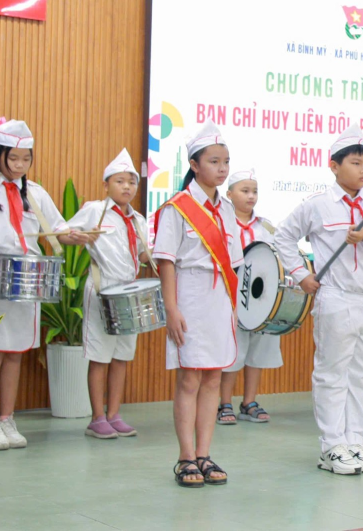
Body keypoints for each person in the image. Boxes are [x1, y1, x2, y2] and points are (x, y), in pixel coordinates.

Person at [0, 121, 91, 451]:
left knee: (15, 352)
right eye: (13, 158)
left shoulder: (35, 193)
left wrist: (75, 236)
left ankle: (7, 418)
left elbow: (58, 229)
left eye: (26, 159)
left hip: (28, 279)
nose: (20, 165)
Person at [276, 125, 363, 475]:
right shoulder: (317, 205)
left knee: (359, 374)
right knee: (332, 373)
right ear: (334, 166)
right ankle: (332, 445)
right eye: (355, 163)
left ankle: (355, 442)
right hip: (337, 297)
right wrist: (300, 274)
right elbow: (283, 237)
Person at [153, 121, 241, 487]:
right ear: (194, 164)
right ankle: (185, 457)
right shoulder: (177, 208)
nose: (222, 168)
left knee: (214, 376)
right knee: (190, 377)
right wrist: (171, 308)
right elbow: (166, 262)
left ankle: (205, 454)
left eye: (226, 161)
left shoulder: (228, 209)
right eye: (214, 161)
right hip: (188, 294)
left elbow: (233, 261)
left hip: (219, 298)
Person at [67, 148, 148, 439]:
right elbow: (64, 234)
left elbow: (143, 255)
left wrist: (155, 255)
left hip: (129, 294)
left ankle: (114, 414)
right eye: (120, 181)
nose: (127, 187)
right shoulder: (94, 210)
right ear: (106, 185)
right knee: (100, 357)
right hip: (102, 289)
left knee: (121, 357)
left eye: (132, 182)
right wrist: (77, 236)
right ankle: (97, 418)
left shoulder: (138, 220)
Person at [218, 169, 282, 425]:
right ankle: (224, 402)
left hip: (261, 301)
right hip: (231, 299)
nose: (251, 196)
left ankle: (249, 402)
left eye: (254, 191)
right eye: (245, 191)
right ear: (229, 193)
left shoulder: (266, 226)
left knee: (258, 352)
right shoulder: (222, 224)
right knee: (233, 352)